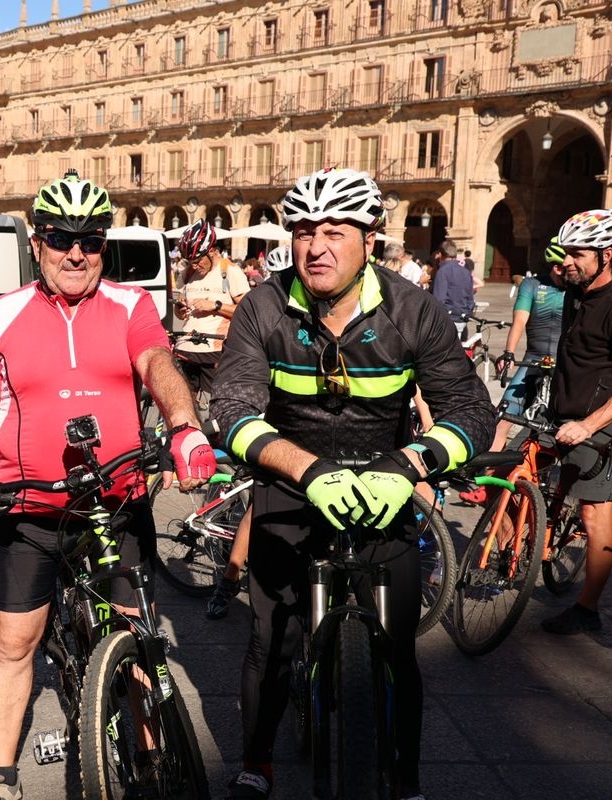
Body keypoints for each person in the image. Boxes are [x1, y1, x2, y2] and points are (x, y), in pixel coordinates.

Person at [209, 167, 495, 800]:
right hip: (293, 482)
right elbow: (230, 408)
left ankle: (407, 779)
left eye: (335, 232)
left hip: (383, 483)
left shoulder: (412, 309)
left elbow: (471, 410)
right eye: (304, 232)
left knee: (397, 648)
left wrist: (412, 464)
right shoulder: (263, 306)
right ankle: (257, 764)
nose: (316, 247)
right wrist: (307, 469)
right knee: (271, 638)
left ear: (370, 239)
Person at [0, 170, 217, 800]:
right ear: (37, 243)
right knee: (15, 644)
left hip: (116, 503)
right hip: (29, 509)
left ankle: (149, 755)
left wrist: (185, 429)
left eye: (90, 241)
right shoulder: (1, 316)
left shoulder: (130, 305)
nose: (75, 253)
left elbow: (157, 363)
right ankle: (1, 775)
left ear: (103, 246)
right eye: (61, 239)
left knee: (135, 633)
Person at [539, 209, 612, 635]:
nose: (566, 261)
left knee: (594, 515)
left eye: (577, 253)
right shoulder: (577, 291)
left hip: (601, 427)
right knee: (512, 472)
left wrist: (587, 425)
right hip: (561, 415)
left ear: (607, 255)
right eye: (565, 252)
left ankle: (587, 610)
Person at [463, 237, 567, 483]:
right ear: (555, 267)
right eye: (563, 266)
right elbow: (520, 320)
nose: (568, 271)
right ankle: (486, 477)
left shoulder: (576, 289)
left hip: (564, 363)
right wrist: (509, 352)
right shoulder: (532, 285)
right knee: (505, 416)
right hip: (534, 358)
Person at [172, 219, 251, 409]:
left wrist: (215, 306)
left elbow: (247, 312)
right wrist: (179, 309)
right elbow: (179, 312)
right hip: (185, 347)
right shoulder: (187, 274)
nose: (194, 266)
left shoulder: (229, 271)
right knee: (183, 406)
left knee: (215, 408)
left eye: (198, 260)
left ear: (212, 251)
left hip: (214, 351)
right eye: (190, 261)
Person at [431, 239, 474, 337]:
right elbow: (470, 298)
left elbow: (439, 299)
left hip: (448, 318)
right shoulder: (465, 271)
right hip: (462, 318)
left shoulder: (443, 272)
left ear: (440, 254)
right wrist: (466, 313)